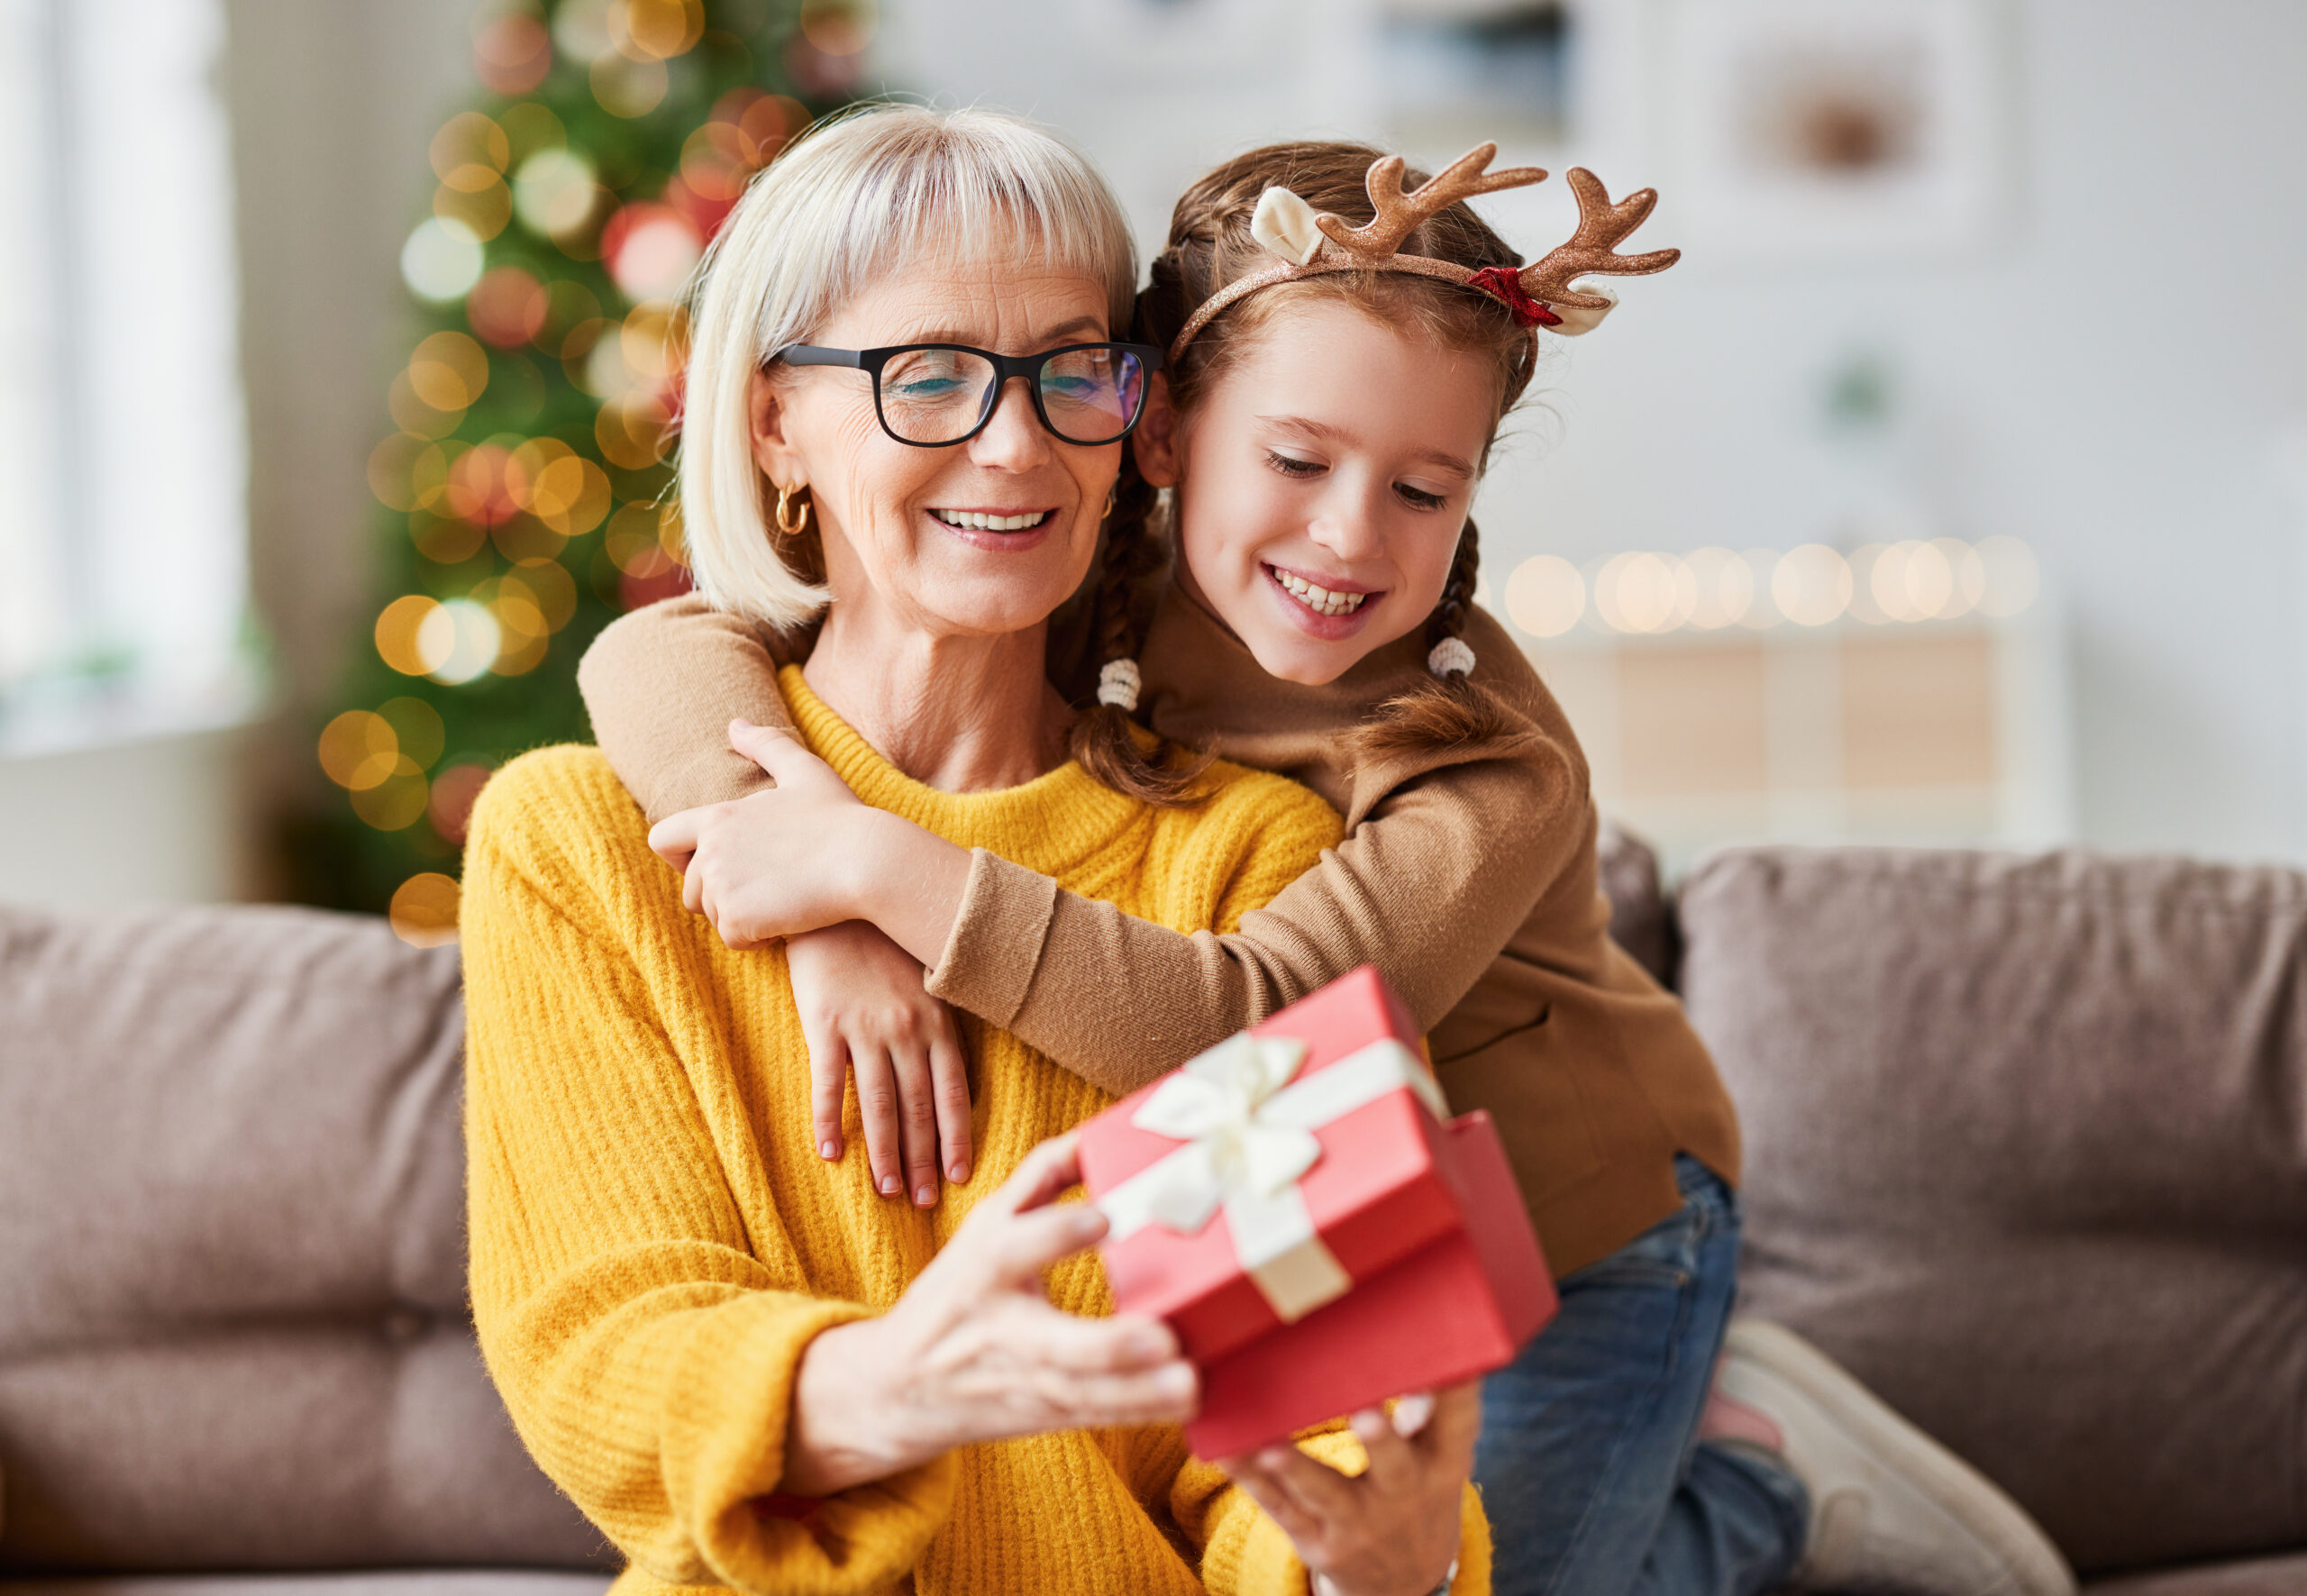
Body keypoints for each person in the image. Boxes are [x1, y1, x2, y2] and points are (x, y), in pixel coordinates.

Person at [585, 135, 2079, 1596]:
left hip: (1576, 1237)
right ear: (1158, 434)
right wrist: (803, 900)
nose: (1349, 536)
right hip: (1323, 1209)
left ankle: (1759, 1487)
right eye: (1296, 459)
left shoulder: (1486, 764)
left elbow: (1253, 1032)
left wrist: (872, 867)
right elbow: (658, 646)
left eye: (1425, 492)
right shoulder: (1092, 566)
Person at [461, 105, 1490, 1596]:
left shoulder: (1239, 868)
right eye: (925, 373)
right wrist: (900, 1383)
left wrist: (1371, 1563)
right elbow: (603, 1347)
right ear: (772, 424)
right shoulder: (577, 847)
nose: (1015, 443)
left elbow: (1321, 1414)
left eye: (1072, 370)